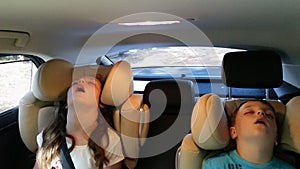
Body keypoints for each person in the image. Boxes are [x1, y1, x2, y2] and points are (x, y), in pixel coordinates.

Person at [34, 75, 124, 169]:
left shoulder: (110, 142)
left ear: (100, 104)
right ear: (66, 104)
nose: (81, 82)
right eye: (75, 83)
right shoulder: (48, 136)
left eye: (91, 83)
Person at [203, 100, 295, 169]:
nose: (261, 112)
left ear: (276, 136)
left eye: (269, 115)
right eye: (249, 112)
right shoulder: (215, 166)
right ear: (234, 132)